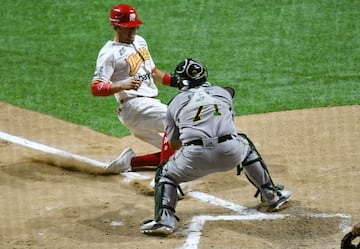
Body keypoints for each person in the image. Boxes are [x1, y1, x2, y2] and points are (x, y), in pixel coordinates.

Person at [140, 58, 292, 236]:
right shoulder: (223, 92)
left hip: (195, 158)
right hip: (231, 153)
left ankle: (164, 220)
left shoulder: (174, 103)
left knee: (165, 172)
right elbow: (230, 126)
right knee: (245, 144)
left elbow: (174, 144)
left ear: (181, 81)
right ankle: (272, 196)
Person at [90, 3, 177, 173]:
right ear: (115, 26)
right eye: (128, 28)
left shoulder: (140, 41)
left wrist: (180, 82)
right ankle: (166, 178)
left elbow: (154, 72)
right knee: (174, 122)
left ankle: (130, 162)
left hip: (147, 107)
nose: (133, 31)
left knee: (183, 150)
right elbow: (96, 87)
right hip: (134, 106)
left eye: (135, 27)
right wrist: (121, 85)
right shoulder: (109, 54)